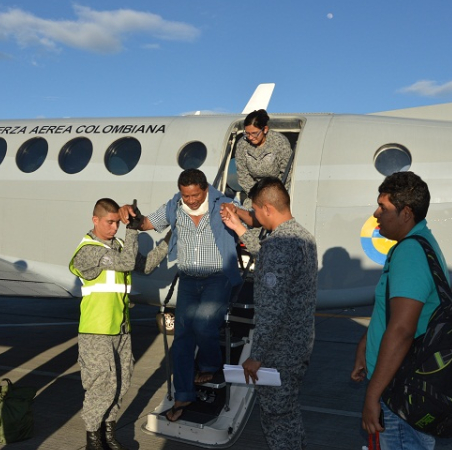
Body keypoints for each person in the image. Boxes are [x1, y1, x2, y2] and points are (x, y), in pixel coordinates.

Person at [118, 169, 241, 422]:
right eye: (186, 195)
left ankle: (209, 365)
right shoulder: (174, 206)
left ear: (205, 189)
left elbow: (248, 222)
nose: (191, 200)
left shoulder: (225, 204)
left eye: (195, 195)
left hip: (217, 277)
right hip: (188, 279)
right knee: (182, 337)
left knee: (205, 324)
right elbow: (146, 224)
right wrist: (130, 214)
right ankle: (183, 393)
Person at [350, 172, 447, 450]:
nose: (376, 213)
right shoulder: (417, 244)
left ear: (406, 213)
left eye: (384, 207)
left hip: (399, 391)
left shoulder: (410, 253)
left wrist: (373, 395)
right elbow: (392, 315)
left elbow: (403, 330)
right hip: (402, 382)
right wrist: (366, 345)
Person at [221, 177, 318, 450]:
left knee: (276, 421)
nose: (255, 216)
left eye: (254, 211)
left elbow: (273, 310)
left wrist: (257, 356)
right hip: (299, 345)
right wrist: (240, 228)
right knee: (289, 414)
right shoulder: (303, 237)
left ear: (266, 208)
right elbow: (267, 252)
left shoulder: (278, 246)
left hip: (279, 351)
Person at [69, 198, 169, 450]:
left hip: (121, 328)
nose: (114, 228)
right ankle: (93, 438)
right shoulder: (88, 250)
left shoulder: (119, 246)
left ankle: (108, 433)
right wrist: (132, 228)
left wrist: (172, 239)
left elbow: (143, 266)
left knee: (122, 382)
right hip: (96, 330)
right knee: (102, 385)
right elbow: (125, 263)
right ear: (95, 220)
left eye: (117, 223)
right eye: (109, 223)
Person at [235, 109, 292, 206]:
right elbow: (242, 174)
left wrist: (274, 194)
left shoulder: (279, 142)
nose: (250, 137)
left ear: (265, 129)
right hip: (254, 194)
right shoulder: (242, 144)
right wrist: (256, 195)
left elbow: (286, 172)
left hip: (276, 193)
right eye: (247, 133)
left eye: (254, 133)